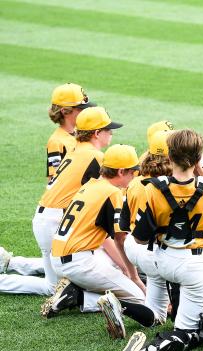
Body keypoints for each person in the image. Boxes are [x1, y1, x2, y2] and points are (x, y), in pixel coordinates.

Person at [102, 129, 203, 351]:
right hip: (195, 267)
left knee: (136, 249)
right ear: (197, 157)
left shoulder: (151, 188)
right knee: (187, 334)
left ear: (169, 157)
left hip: (160, 261)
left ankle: (128, 305)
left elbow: (138, 238)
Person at [0, 106, 116, 297]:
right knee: (54, 286)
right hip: (54, 221)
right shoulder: (95, 156)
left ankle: (12, 263)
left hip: (48, 217)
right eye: (108, 129)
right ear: (97, 133)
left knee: (69, 263)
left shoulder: (77, 149)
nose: (111, 133)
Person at [0, 83, 96, 280]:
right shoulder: (57, 140)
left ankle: (12, 263)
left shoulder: (77, 137)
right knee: (59, 274)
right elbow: (55, 178)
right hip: (60, 210)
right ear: (66, 111)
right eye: (80, 108)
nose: (85, 112)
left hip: (69, 208)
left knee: (64, 262)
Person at [41, 144, 145, 318]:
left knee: (116, 267)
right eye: (132, 172)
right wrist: (133, 276)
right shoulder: (112, 193)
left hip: (62, 258)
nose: (134, 176)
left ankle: (75, 289)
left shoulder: (91, 184)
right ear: (121, 172)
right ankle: (79, 296)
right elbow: (120, 240)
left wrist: (122, 268)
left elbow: (105, 238)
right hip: (79, 264)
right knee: (139, 299)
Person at [116, 130, 173, 327]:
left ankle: (123, 306)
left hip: (133, 247)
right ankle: (122, 305)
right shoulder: (169, 186)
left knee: (156, 314)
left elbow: (123, 227)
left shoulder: (135, 180)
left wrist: (132, 273)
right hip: (154, 251)